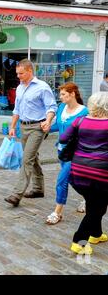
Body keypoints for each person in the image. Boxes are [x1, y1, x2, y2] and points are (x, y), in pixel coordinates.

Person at [59, 92, 108, 255]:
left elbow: (63, 139)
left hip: (78, 174)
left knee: (95, 204)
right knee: (96, 209)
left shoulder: (79, 121)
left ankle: (96, 234)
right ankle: (79, 242)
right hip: (101, 176)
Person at [4, 59, 57, 207]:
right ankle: (38, 189)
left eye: (21, 73)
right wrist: (13, 126)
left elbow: (52, 107)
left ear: (29, 71)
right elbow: (17, 110)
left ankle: (16, 194)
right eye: (17, 73)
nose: (18, 76)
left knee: (26, 159)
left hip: (37, 128)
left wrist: (48, 121)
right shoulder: (20, 87)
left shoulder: (42, 87)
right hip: (23, 127)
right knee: (33, 157)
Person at [45, 82, 88, 225]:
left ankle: (57, 212)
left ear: (72, 94)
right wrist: (47, 128)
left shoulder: (84, 112)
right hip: (62, 151)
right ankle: (90, 199)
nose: (60, 97)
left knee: (62, 180)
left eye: (63, 94)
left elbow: (86, 132)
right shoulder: (62, 107)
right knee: (74, 180)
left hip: (75, 153)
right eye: (60, 94)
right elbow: (59, 125)